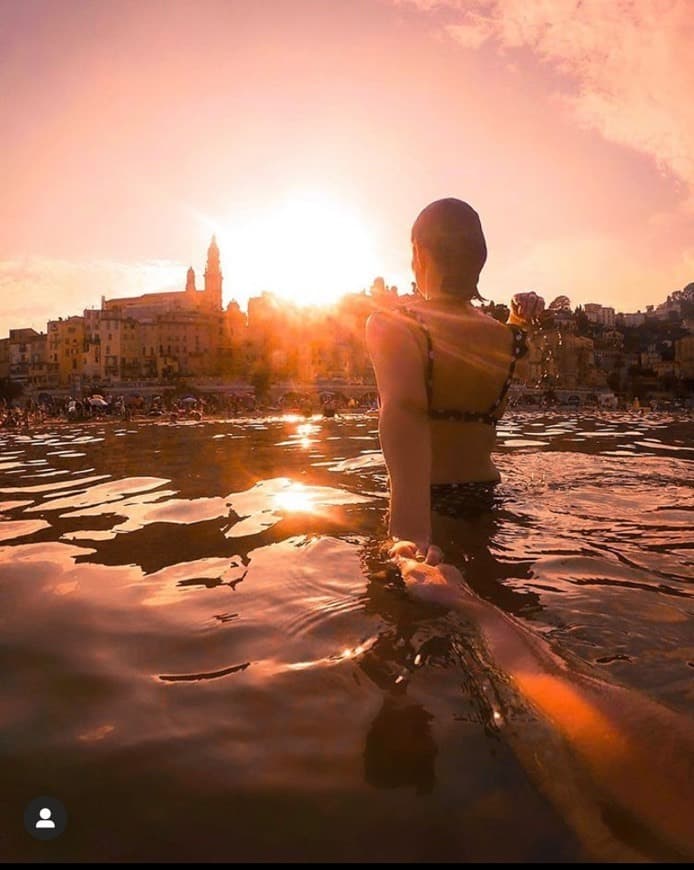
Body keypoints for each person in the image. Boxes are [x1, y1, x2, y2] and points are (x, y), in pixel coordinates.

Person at [365, 198, 544, 566]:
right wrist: (519, 317)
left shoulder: (395, 327)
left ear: (418, 253)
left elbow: (406, 417)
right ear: (479, 261)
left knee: (415, 610)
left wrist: (408, 543)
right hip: (488, 498)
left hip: (430, 507)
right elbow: (517, 347)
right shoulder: (509, 341)